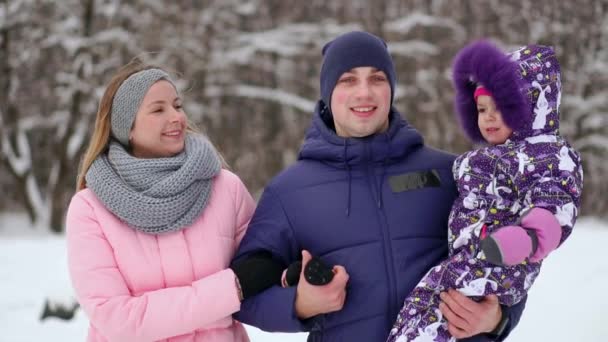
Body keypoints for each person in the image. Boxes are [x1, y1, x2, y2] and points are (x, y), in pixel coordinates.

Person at [232, 31, 527, 341]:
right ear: (328, 92)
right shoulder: (288, 193)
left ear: (391, 89)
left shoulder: (452, 173)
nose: (365, 93)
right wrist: (300, 305)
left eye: (377, 79)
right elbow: (241, 297)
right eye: (348, 80)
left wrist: (498, 317)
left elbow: (514, 260)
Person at [65, 61, 284, 342]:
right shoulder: (90, 209)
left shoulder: (225, 188)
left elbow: (267, 268)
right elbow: (117, 320)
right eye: (158, 109)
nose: (177, 117)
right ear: (126, 128)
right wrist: (232, 289)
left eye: (177, 106)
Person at [387, 41, 583, 342]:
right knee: (424, 310)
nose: (488, 117)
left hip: (503, 260)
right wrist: (409, 181)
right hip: (474, 257)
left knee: (428, 305)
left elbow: (557, 204)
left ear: (528, 108)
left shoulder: (547, 155)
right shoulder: (485, 158)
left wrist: (527, 239)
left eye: (500, 107)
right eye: (481, 108)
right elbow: (449, 178)